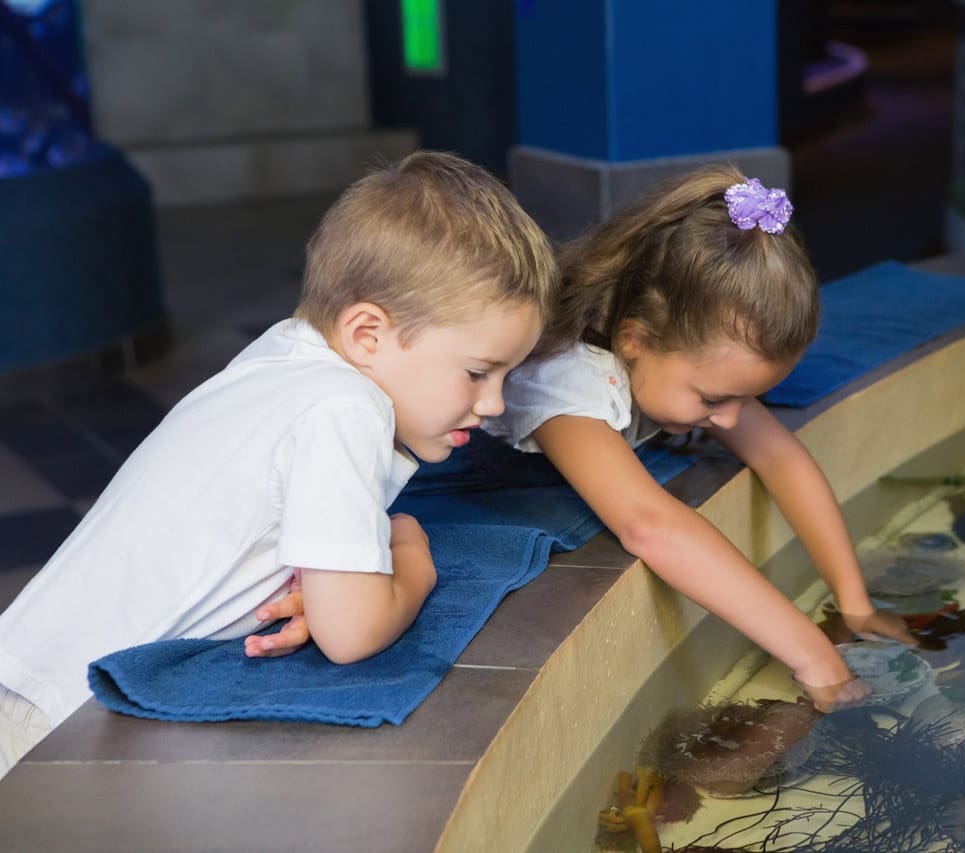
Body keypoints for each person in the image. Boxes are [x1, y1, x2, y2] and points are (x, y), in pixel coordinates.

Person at [0, 151, 557, 777]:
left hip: (28, 675)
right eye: (478, 372)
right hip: (52, 719)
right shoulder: (344, 408)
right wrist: (410, 555)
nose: (494, 404)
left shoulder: (288, 354)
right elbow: (352, 634)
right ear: (367, 335)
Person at [480, 166, 915, 712]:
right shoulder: (565, 384)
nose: (731, 420)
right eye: (714, 399)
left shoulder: (686, 357)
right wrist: (813, 656)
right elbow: (649, 525)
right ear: (634, 341)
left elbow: (779, 455)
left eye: (747, 398)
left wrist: (854, 602)